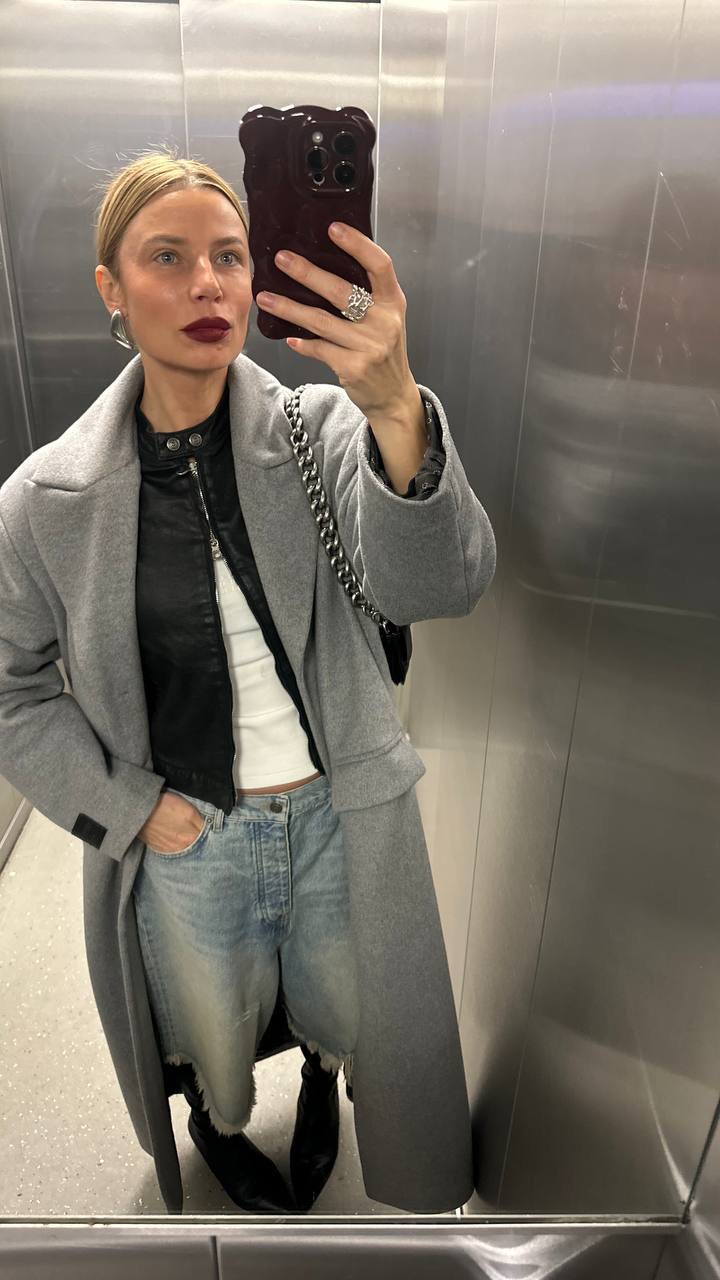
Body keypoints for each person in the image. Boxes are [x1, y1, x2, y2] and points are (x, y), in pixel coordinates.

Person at [0, 144, 496, 1215]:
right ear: (111, 289)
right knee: (210, 1023)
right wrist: (128, 808)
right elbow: (10, 689)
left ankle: (319, 1084)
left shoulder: (323, 431)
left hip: (337, 813)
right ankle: (218, 1122)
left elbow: (444, 583)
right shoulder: (45, 501)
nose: (207, 285)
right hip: (188, 832)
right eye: (167, 257)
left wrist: (396, 408)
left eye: (229, 255)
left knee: (341, 1000)